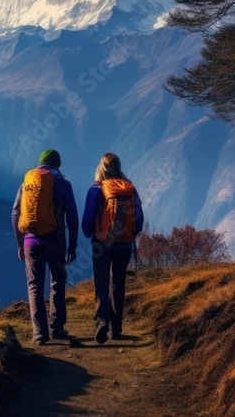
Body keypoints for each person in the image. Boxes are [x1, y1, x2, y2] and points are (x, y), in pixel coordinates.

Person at [12, 148, 79, 345]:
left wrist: (19, 243)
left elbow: (15, 213)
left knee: (34, 285)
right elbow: (72, 218)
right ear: (57, 165)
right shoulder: (64, 184)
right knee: (57, 281)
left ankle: (39, 333)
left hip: (30, 241)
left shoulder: (27, 183)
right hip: (55, 240)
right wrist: (73, 246)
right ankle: (57, 327)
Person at [82, 152, 144, 344]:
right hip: (124, 243)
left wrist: (92, 234)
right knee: (118, 282)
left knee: (101, 282)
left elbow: (87, 220)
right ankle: (116, 328)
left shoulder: (96, 188)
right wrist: (130, 235)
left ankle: (102, 322)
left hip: (102, 243)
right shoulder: (130, 188)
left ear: (101, 168)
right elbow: (139, 217)